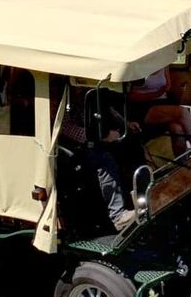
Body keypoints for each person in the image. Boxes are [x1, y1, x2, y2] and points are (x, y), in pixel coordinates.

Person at [57, 86, 138, 232]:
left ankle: (135, 198)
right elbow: (65, 127)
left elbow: (107, 110)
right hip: (69, 146)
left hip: (90, 140)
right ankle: (118, 216)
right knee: (104, 160)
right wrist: (101, 137)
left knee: (129, 146)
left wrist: (125, 124)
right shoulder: (62, 95)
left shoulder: (87, 93)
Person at [126, 68, 191, 156]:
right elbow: (131, 96)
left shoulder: (163, 61)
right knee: (182, 112)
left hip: (162, 102)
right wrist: (157, 94)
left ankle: (182, 164)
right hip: (143, 106)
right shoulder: (138, 65)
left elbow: (167, 85)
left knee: (177, 129)